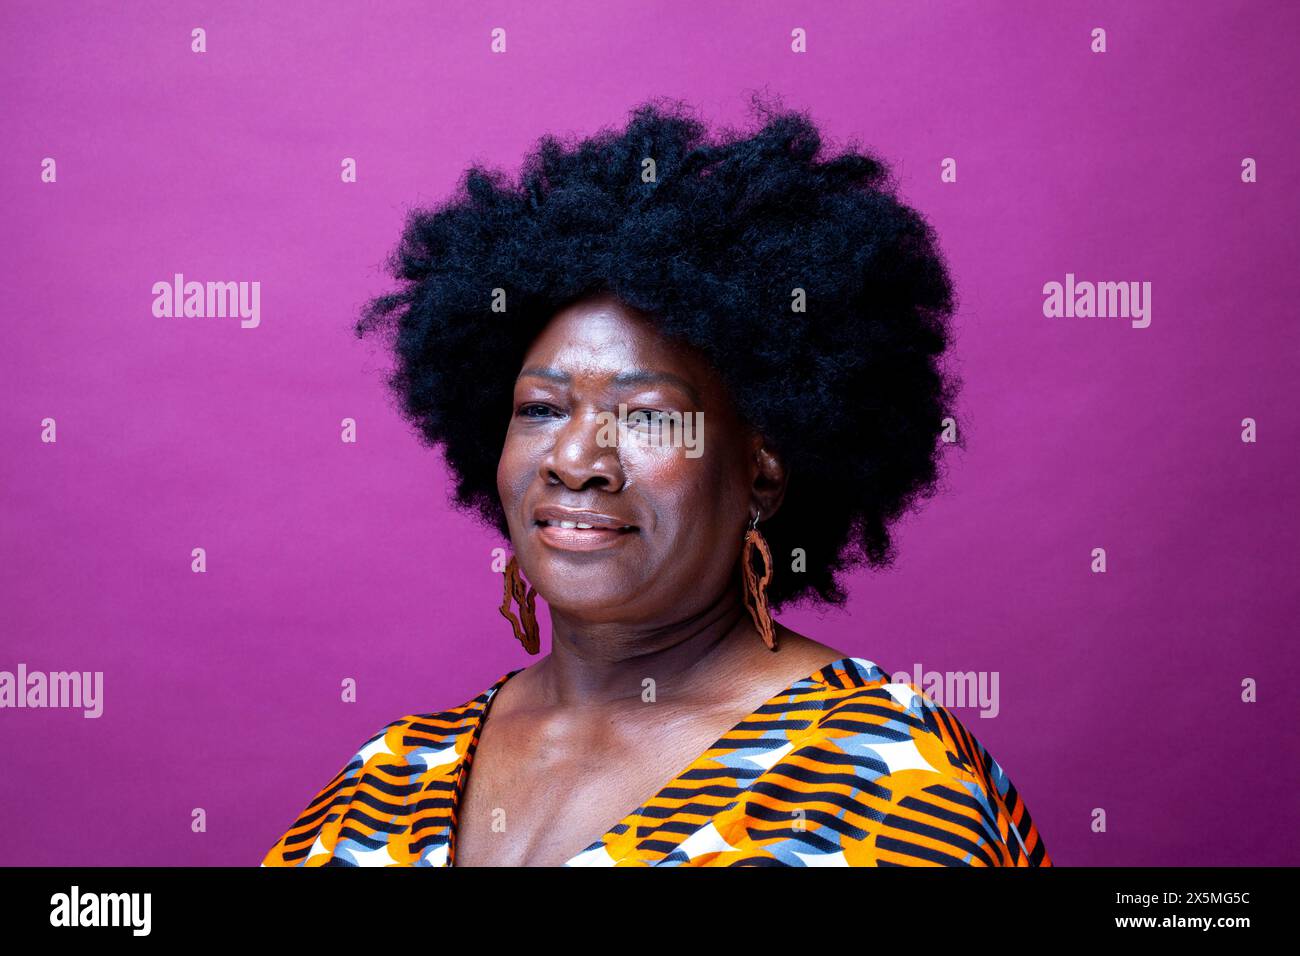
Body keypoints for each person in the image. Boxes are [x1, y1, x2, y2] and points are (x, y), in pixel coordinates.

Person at [261, 98, 1052, 867]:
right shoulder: (388, 775)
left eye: (646, 417)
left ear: (763, 470)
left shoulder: (883, 779)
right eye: (540, 407)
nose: (575, 460)